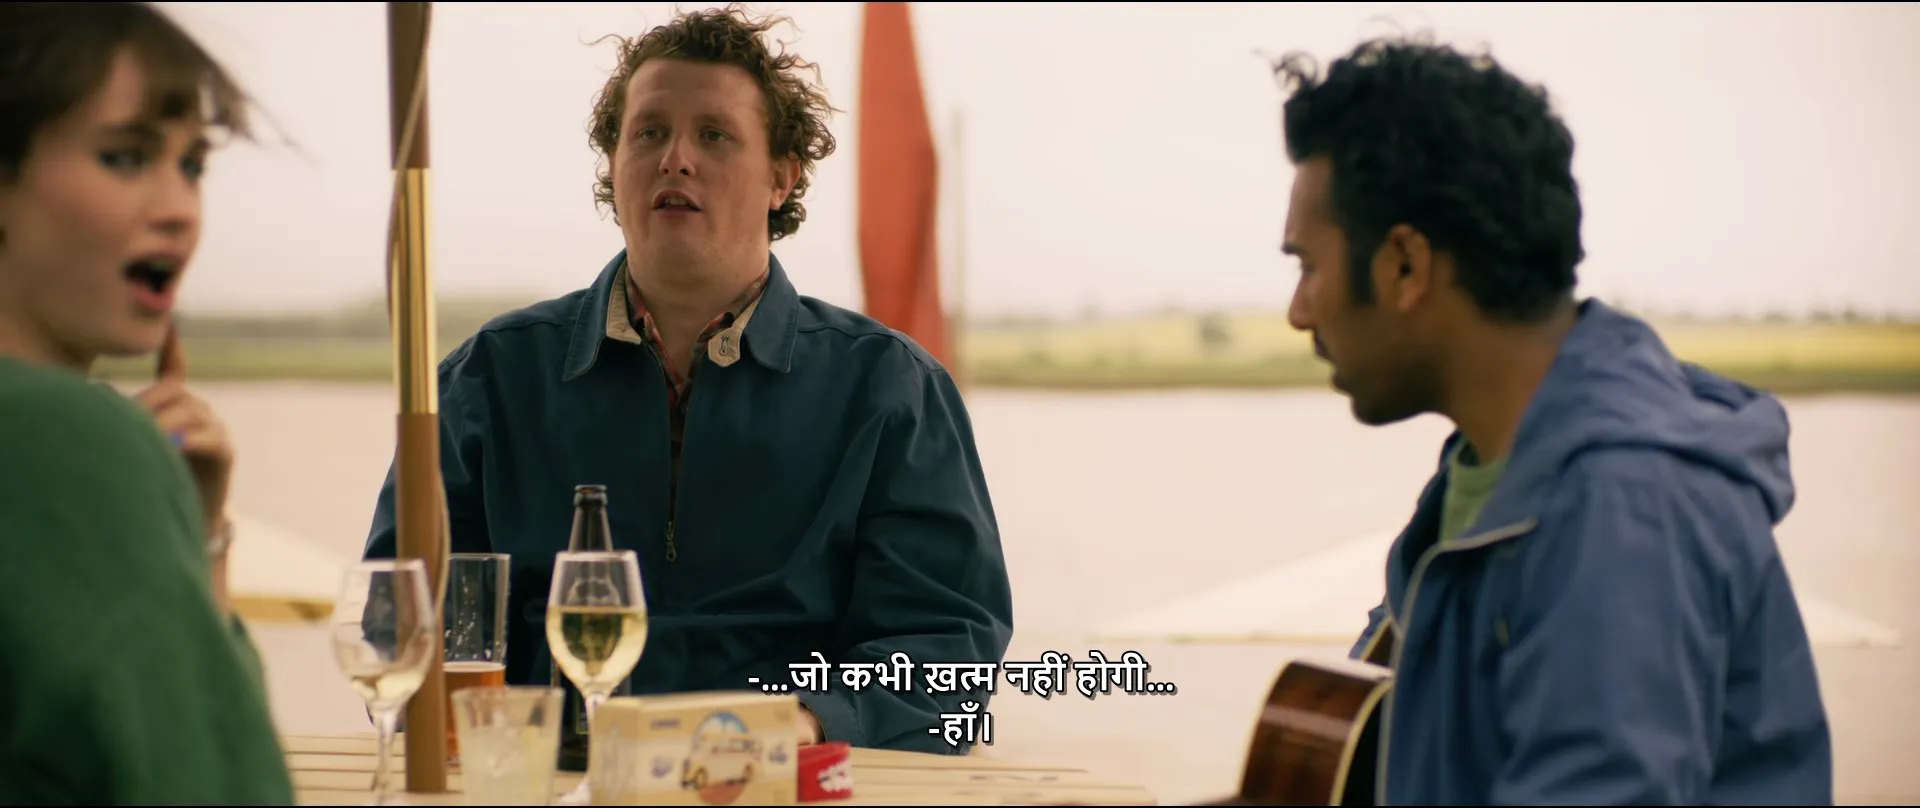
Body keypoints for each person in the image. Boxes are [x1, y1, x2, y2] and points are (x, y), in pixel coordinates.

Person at [360, 3, 1014, 755]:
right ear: (614, 167)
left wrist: (807, 724)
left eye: (714, 135)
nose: (675, 158)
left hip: (788, 783)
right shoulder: (488, 381)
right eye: (648, 133)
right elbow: (402, 627)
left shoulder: (892, 390)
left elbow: (944, 648)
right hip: (547, 781)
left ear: (782, 176)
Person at [1272, 33, 1834, 805]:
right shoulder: (1489, 472)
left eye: (1308, 266)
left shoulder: (1621, 504)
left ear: (1405, 264)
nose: (1298, 311)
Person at [0, 2, 295, 804]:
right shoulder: (70, 439)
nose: (179, 209)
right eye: (125, 157)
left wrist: (198, 535)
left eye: (192, 165)